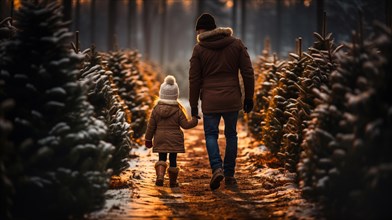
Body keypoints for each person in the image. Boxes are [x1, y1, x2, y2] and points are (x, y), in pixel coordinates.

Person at [189, 13, 255, 190]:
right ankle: (230, 175)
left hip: (210, 100)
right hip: (232, 98)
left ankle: (217, 168)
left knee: (211, 135)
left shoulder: (199, 49)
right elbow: (248, 72)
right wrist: (249, 97)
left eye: (199, 30)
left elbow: (194, 80)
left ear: (203, 30)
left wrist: (194, 106)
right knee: (231, 135)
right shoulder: (236, 44)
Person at [145, 75, 199, 187]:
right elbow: (185, 125)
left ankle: (160, 177)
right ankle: (173, 182)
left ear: (161, 93)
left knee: (162, 158)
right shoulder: (178, 110)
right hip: (174, 139)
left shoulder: (156, 109)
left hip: (160, 138)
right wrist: (194, 120)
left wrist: (148, 139)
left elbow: (151, 126)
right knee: (173, 160)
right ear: (175, 95)